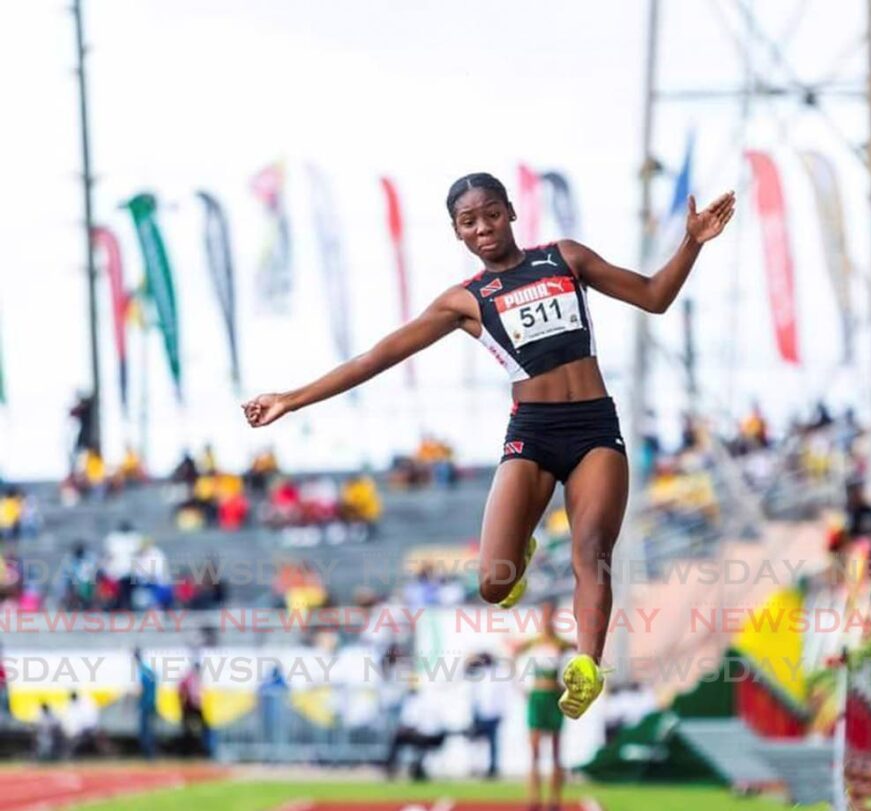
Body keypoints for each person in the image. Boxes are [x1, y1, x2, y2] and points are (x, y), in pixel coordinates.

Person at [243, 172, 735, 719]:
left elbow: (654, 296)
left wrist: (691, 241)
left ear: (511, 213)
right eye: (469, 222)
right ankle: (519, 551)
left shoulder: (565, 259)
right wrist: (291, 397)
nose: (484, 228)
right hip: (532, 432)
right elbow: (374, 359)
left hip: (594, 426)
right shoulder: (467, 301)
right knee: (493, 584)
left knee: (591, 548)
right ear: (457, 232)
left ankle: (587, 665)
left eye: (492, 214)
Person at [511, 600, 575, 811]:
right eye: (545, 614)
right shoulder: (534, 641)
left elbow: (582, 652)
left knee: (556, 751)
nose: (548, 618)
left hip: (554, 697)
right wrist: (519, 686)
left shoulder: (560, 643)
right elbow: (513, 655)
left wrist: (571, 685)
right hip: (537, 697)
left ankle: (555, 801)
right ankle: (534, 799)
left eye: (551, 614)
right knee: (535, 751)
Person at [134, 647, 157, 759]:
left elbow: (141, 689)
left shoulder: (142, 671)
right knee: (149, 729)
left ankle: (148, 754)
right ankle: (150, 753)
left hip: (145, 704)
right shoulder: (148, 670)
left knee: (146, 730)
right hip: (151, 703)